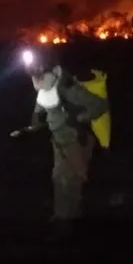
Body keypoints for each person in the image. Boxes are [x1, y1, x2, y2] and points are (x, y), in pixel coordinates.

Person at [23, 48, 108, 228]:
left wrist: (79, 118)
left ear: (52, 70)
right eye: (34, 74)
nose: (36, 79)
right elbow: (39, 108)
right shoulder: (45, 86)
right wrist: (34, 124)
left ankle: (70, 219)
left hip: (76, 141)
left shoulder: (69, 89)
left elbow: (100, 105)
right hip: (59, 141)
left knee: (72, 180)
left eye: (39, 73)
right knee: (59, 178)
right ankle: (62, 215)